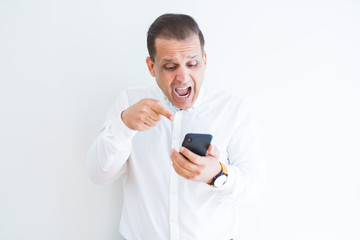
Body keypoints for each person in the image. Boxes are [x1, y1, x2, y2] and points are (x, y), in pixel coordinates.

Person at [87, 13, 265, 240]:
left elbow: (255, 186)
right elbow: (97, 174)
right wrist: (123, 126)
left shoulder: (231, 110)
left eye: (192, 64)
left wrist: (217, 174)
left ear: (205, 60)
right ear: (152, 67)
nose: (183, 77)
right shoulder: (129, 103)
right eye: (170, 66)